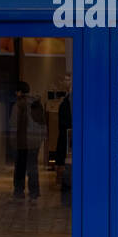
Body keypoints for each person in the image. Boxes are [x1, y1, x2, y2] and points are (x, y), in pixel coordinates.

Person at [9, 80, 45, 201]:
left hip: (22, 142)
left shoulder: (18, 104)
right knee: (32, 167)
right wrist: (41, 139)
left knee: (19, 167)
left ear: (19, 92)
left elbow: (13, 125)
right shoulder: (37, 103)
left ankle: (19, 191)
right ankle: (34, 192)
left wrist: (12, 141)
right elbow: (42, 123)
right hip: (34, 142)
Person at [54, 73, 72, 206]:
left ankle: (67, 201)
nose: (64, 81)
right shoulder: (67, 99)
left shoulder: (71, 99)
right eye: (64, 78)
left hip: (69, 140)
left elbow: (68, 123)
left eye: (67, 79)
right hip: (66, 138)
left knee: (68, 170)